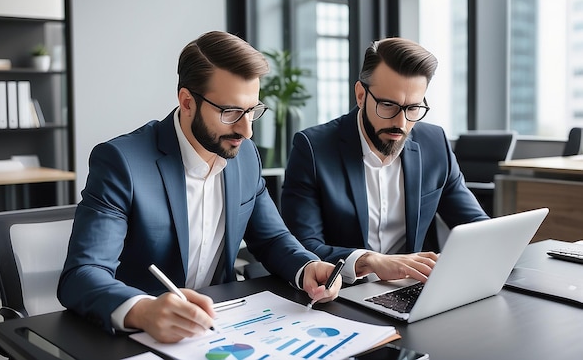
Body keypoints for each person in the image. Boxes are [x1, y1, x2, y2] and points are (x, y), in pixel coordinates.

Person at [58, 31, 341, 343]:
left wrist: (307, 266)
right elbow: (82, 275)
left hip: (222, 328)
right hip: (142, 337)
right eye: (230, 112)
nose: (246, 131)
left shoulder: (244, 156)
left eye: (252, 111)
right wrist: (144, 310)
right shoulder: (122, 162)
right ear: (187, 101)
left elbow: (272, 239)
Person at [281, 37, 489, 286]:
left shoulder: (435, 143)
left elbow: (476, 227)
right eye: (388, 105)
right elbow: (303, 245)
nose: (401, 123)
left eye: (413, 108)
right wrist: (368, 260)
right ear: (360, 95)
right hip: (342, 292)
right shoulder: (313, 148)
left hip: (412, 288)